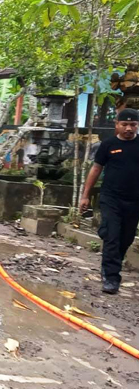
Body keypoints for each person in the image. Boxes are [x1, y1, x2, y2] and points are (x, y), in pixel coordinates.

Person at [80, 108, 139, 294]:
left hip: (135, 200)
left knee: (126, 238)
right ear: (117, 125)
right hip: (110, 197)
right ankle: (111, 277)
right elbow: (96, 170)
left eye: (133, 125)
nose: (129, 128)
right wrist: (85, 195)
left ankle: (112, 263)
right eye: (125, 124)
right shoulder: (107, 145)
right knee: (112, 236)